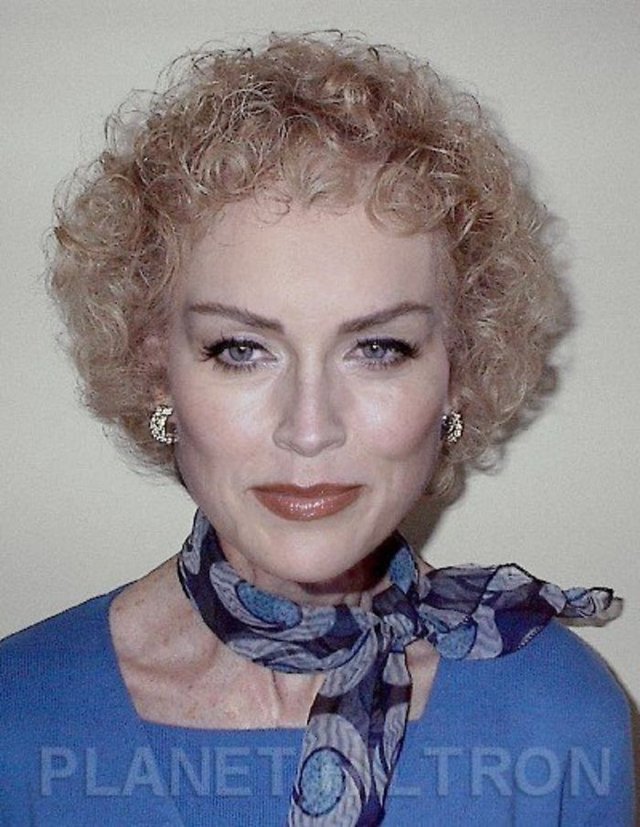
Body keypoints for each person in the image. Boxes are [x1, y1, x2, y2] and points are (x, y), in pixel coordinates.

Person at [0, 31, 634, 826]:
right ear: (157, 369)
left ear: (459, 373)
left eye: (378, 348)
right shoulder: (17, 720)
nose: (308, 429)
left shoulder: (563, 723)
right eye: (240, 349)